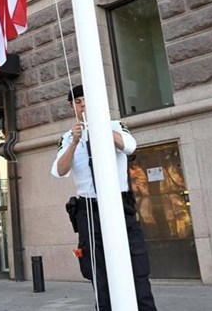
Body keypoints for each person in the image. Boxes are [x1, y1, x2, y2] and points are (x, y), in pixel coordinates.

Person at [51, 85, 157, 311]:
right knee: (99, 275)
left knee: (137, 269)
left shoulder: (115, 126)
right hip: (89, 210)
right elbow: (59, 171)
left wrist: (99, 126)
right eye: (77, 101)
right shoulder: (68, 137)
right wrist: (74, 143)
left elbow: (130, 146)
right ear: (72, 107)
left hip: (119, 205)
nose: (83, 104)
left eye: (86, 99)